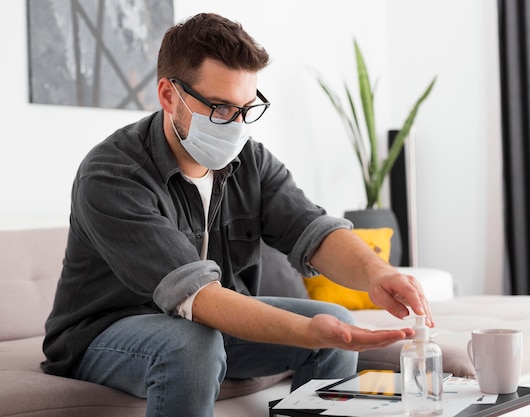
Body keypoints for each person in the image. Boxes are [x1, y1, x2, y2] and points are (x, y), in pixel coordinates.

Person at [41, 12, 433, 417]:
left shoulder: (250, 160)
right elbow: (199, 298)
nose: (238, 125)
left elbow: (312, 231)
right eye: (221, 108)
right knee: (191, 345)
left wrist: (377, 273)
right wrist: (302, 332)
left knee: (330, 319)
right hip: (105, 335)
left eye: (248, 108)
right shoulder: (113, 174)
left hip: (207, 323)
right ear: (168, 95)